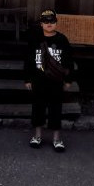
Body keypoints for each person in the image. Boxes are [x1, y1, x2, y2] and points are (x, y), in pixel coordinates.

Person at [24, 9, 75, 152]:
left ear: (56, 23)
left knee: (56, 109)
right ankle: (37, 136)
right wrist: (27, 78)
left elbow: (68, 61)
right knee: (38, 108)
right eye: (45, 21)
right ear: (41, 24)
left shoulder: (62, 40)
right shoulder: (35, 39)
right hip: (38, 80)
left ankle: (57, 138)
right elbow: (28, 60)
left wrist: (68, 80)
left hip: (56, 81)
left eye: (52, 21)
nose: (49, 24)